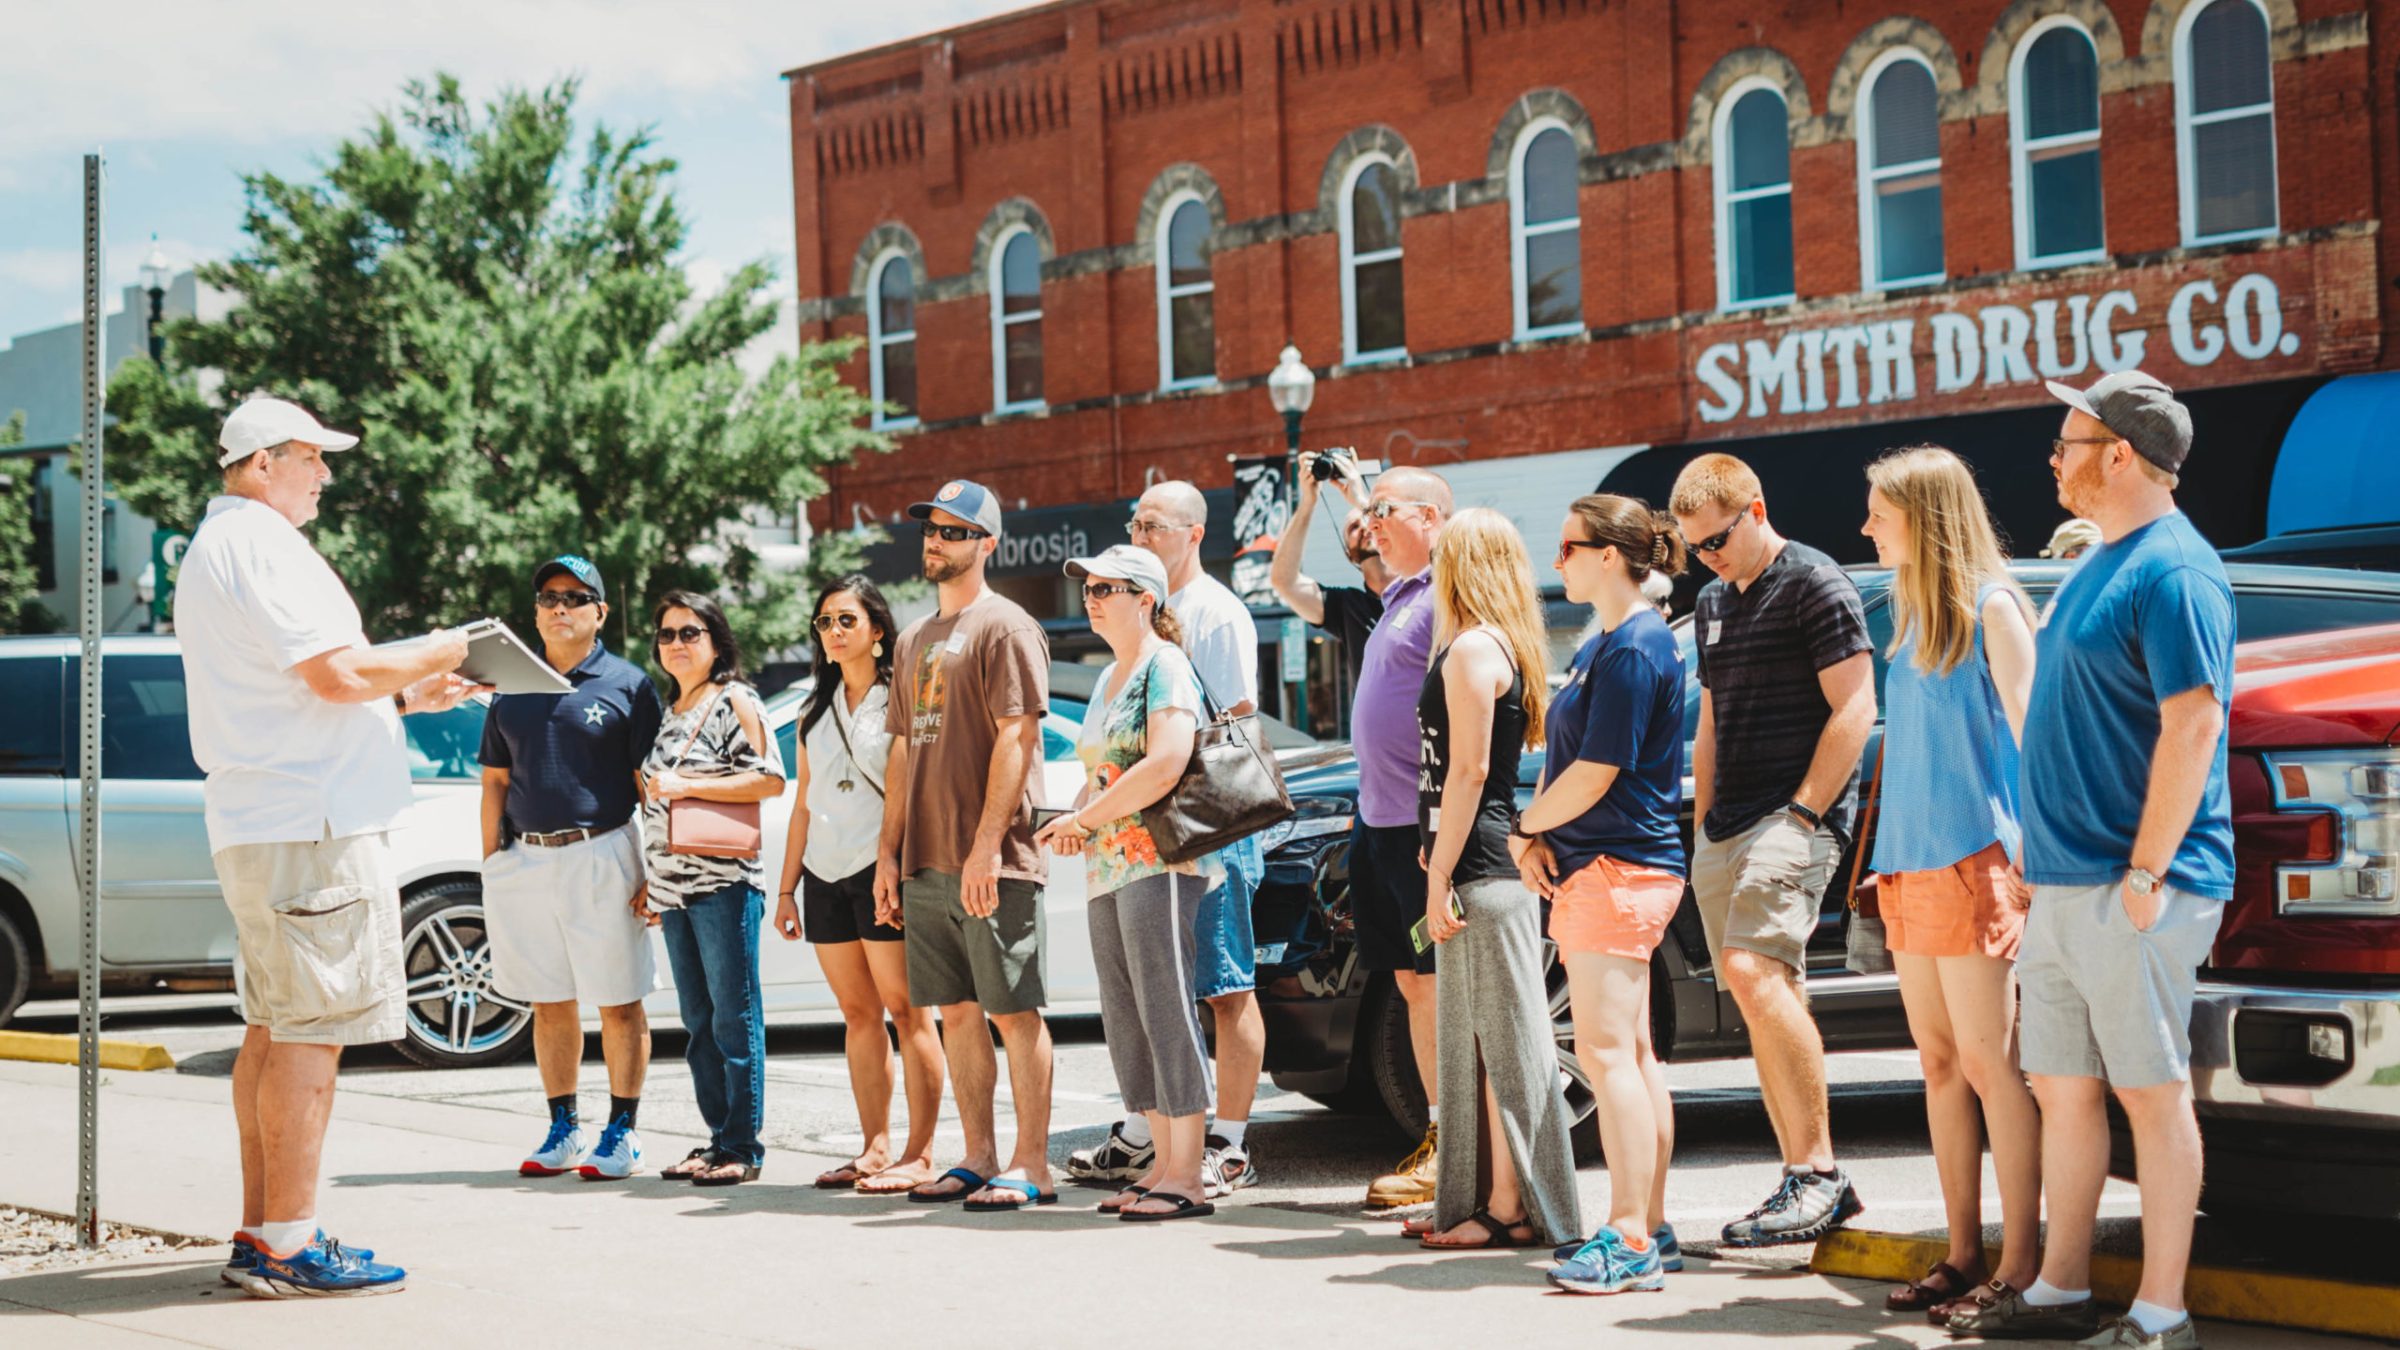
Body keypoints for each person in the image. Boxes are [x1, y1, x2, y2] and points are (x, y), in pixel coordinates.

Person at [1949, 373, 2231, 1350]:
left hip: (2136, 886)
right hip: (2067, 886)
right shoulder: (2103, 561)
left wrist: (2148, 874)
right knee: (2065, 1089)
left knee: (2152, 1097)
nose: (2054, 460)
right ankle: (2062, 1292)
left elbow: (2194, 723)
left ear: (2120, 455)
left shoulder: (2175, 570)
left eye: (2068, 443)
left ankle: (2162, 1317)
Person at [175, 396, 481, 1297]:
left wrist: (400, 701)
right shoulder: (263, 545)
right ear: (262, 462)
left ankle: (261, 1230)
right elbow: (335, 673)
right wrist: (441, 649)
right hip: (310, 828)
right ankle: (288, 1244)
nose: (326, 473)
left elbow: (302, 696)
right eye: (312, 457)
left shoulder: (216, 547)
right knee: (314, 1036)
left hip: (264, 822)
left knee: (272, 1032)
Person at [1857, 448, 2044, 1324]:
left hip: (1976, 860)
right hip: (1908, 862)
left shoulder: (1993, 608)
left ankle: (2022, 1262)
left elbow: (2038, 742)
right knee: (1938, 1066)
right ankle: (1964, 1253)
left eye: (1878, 513)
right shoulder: (1908, 610)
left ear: (1924, 517)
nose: (1864, 526)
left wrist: (2039, 864)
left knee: (1989, 1065)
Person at [1671, 452, 1875, 1247]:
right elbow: (1712, 722)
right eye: (1695, 549)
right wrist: (1704, 825)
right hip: (1728, 825)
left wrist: (1802, 815)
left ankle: (1817, 1172)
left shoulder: (1816, 582)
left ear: (1756, 508)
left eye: (1718, 539)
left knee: (1756, 976)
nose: (1708, 558)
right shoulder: (1715, 601)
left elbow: (1856, 705)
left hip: (1794, 818)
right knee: (1763, 992)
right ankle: (1808, 1176)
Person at [1516, 494, 1688, 1294]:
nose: (1559, 563)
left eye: (1569, 548)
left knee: (1609, 1053)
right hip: (1621, 865)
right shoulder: (1619, 642)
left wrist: (1523, 827)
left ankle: (1628, 1237)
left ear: (1612, 556)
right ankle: (1646, 1225)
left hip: (1614, 867)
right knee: (1634, 1052)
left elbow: (1594, 771)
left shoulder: (1628, 649)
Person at [874, 479, 1059, 1211]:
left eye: (954, 532)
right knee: (954, 1010)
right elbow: (899, 754)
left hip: (993, 859)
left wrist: (986, 848)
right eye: (931, 530)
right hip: (924, 859)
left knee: (1014, 1013)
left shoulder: (1006, 626)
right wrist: (888, 855)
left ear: (988, 544)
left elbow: (1018, 737)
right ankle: (978, 1155)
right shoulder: (915, 638)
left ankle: (1033, 1163)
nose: (936, 541)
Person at [1407, 508, 1581, 1253]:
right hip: (1475, 863)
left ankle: (1510, 1209)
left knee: (1505, 1048)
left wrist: (1439, 867)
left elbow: (1472, 772)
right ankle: (1483, 1201)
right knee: (1482, 1047)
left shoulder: (1474, 650)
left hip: (1478, 870)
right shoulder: (1492, 644)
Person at [1035, 545, 1219, 1221]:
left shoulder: (1165, 667)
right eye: (1087, 587)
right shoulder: (1114, 674)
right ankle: (1160, 1167)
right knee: (1127, 1015)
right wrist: (1070, 822)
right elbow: (1102, 772)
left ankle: (1187, 1175)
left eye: (1106, 587)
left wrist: (1086, 816)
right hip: (1107, 866)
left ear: (1147, 599)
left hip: (1158, 862)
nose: (1091, 597)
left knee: (1166, 1010)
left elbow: (1167, 761)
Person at [479, 555, 665, 1181]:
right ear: (535, 612)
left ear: (600, 612)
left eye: (575, 598)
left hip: (603, 850)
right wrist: (491, 863)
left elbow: (652, 786)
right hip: (525, 858)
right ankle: (563, 1127)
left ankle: (623, 1131)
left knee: (618, 1000)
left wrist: (655, 872)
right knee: (549, 1001)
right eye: (549, 598)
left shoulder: (628, 684)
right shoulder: (511, 683)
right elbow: (496, 779)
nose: (560, 608)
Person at [774, 576, 944, 1195]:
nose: (834, 632)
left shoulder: (900, 697)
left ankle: (919, 1152)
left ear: (877, 629)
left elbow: (909, 791)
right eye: (824, 623)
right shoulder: (810, 708)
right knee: (856, 1013)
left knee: (907, 1009)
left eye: (846, 620)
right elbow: (803, 802)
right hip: (823, 872)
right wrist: (788, 887)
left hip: (882, 874)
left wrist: (891, 863)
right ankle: (873, 1147)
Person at [1132, 481, 1265, 1196]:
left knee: (1227, 986)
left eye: (1152, 525)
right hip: (1161, 826)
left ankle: (1232, 1142)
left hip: (1214, 821)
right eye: (1135, 522)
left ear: (1193, 533)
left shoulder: (1215, 611)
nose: (1140, 533)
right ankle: (1162, 1134)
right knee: (1171, 986)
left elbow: (1236, 716)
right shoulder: (1150, 613)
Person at [636, 591, 786, 1186]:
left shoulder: (735, 699)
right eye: (667, 634)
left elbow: (770, 778)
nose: (677, 644)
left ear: (716, 641)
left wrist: (684, 782)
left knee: (733, 1017)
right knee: (698, 1022)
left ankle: (743, 1148)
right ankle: (716, 1140)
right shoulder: (670, 711)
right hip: (673, 890)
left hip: (723, 884)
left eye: (690, 632)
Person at [1349, 466, 1454, 1210]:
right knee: (1413, 984)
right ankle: (1441, 1135)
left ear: (1432, 516)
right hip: (1377, 821)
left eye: (1383, 509)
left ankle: (1463, 1147)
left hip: (1422, 828)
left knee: (1444, 986)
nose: (1371, 520)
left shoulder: (1452, 592)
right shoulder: (1399, 595)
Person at [1270, 449, 1393, 697]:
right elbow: (1284, 581)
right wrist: (1308, 503)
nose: (1364, 528)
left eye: (1368, 521)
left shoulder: (1423, 587)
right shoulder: (1347, 606)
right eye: (1353, 528)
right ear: (1348, 552)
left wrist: (1362, 501)